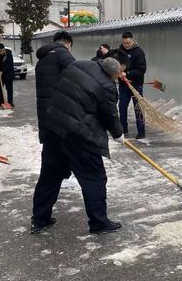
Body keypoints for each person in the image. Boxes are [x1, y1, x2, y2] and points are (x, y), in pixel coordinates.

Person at [31, 57, 126, 235]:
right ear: (113, 72)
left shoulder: (78, 64)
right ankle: (99, 223)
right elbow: (110, 115)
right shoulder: (107, 86)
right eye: (120, 72)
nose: (121, 76)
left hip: (54, 128)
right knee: (94, 178)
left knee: (49, 176)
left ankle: (39, 220)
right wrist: (118, 133)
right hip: (79, 137)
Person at [35, 31, 75, 142]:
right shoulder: (63, 53)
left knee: (50, 148)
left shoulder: (42, 59)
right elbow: (77, 75)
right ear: (69, 44)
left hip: (44, 110)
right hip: (61, 112)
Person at [118, 31, 146, 139]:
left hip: (136, 84)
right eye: (124, 43)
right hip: (123, 84)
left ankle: (141, 131)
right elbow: (116, 63)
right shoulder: (120, 50)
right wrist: (119, 73)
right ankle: (123, 129)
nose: (126, 45)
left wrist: (128, 74)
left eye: (128, 43)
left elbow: (142, 69)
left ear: (132, 40)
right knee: (122, 106)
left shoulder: (139, 52)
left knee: (138, 108)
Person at [0, 43, 15, 107]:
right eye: (0, 51)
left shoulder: (8, 54)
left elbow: (10, 65)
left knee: (9, 89)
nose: (1, 52)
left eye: (2, 50)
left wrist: (2, 71)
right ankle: (2, 101)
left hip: (8, 74)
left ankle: (10, 102)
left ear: (4, 49)